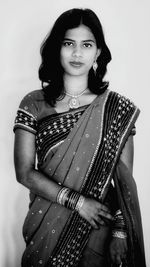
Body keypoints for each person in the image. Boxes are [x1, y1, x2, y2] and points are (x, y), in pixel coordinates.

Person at [13, 8, 146, 267]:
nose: (77, 53)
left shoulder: (116, 110)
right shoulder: (33, 103)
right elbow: (25, 173)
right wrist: (79, 202)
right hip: (46, 228)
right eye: (68, 44)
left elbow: (124, 182)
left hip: (97, 230)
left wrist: (120, 232)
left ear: (97, 52)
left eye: (87, 45)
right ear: (57, 49)